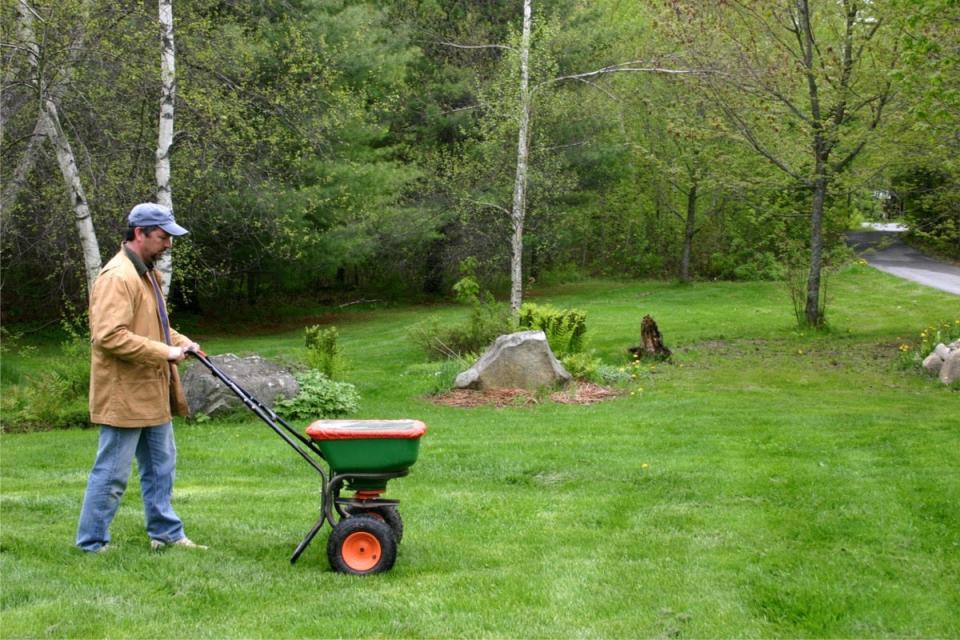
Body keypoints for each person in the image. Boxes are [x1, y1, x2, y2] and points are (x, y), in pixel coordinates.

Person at [76, 203, 206, 553]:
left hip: (151, 391)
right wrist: (165, 352)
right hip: (124, 394)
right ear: (139, 233)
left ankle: (165, 533)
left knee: (161, 467)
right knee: (113, 474)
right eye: (163, 237)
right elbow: (109, 336)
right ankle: (92, 542)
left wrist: (182, 343)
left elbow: (154, 327)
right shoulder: (118, 277)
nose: (168, 244)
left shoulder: (146, 272)